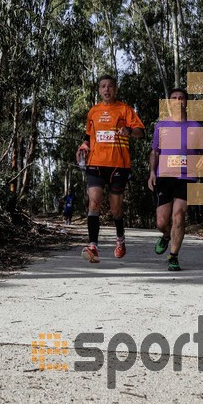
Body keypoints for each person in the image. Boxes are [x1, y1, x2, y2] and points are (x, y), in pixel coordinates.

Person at [76, 75, 144, 263]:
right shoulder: (93, 111)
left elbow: (141, 132)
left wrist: (129, 131)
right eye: (103, 86)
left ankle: (120, 238)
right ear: (99, 90)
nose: (107, 89)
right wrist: (83, 146)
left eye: (110, 86)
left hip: (118, 165)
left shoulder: (124, 109)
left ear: (115, 90)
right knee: (94, 203)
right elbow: (88, 135)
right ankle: (93, 246)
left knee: (116, 209)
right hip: (95, 163)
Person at [148, 88, 203, 271]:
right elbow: (155, 152)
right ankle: (166, 236)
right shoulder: (161, 126)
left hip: (186, 178)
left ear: (186, 102)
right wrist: (152, 173)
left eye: (181, 98)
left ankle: (173, 256)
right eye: (174, 98)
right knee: (161, 222)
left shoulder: (197, 127)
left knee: (179, 216)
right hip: (164, 176)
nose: (177, 101)